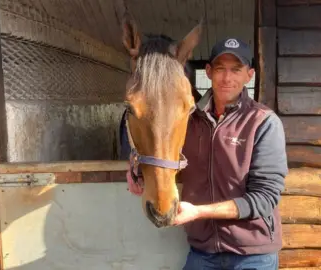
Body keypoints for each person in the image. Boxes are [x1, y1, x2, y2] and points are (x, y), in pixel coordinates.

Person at [121, 38, 288, 270]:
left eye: (236, 70)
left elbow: (265, 198)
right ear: (208, 72)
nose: (227, 78)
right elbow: (163, 148)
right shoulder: (188, 120)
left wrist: (199, 212)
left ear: (249, 75)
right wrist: (138, 170)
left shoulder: (263, 122)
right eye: (220, 69)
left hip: (252, 253)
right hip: (203, 251)